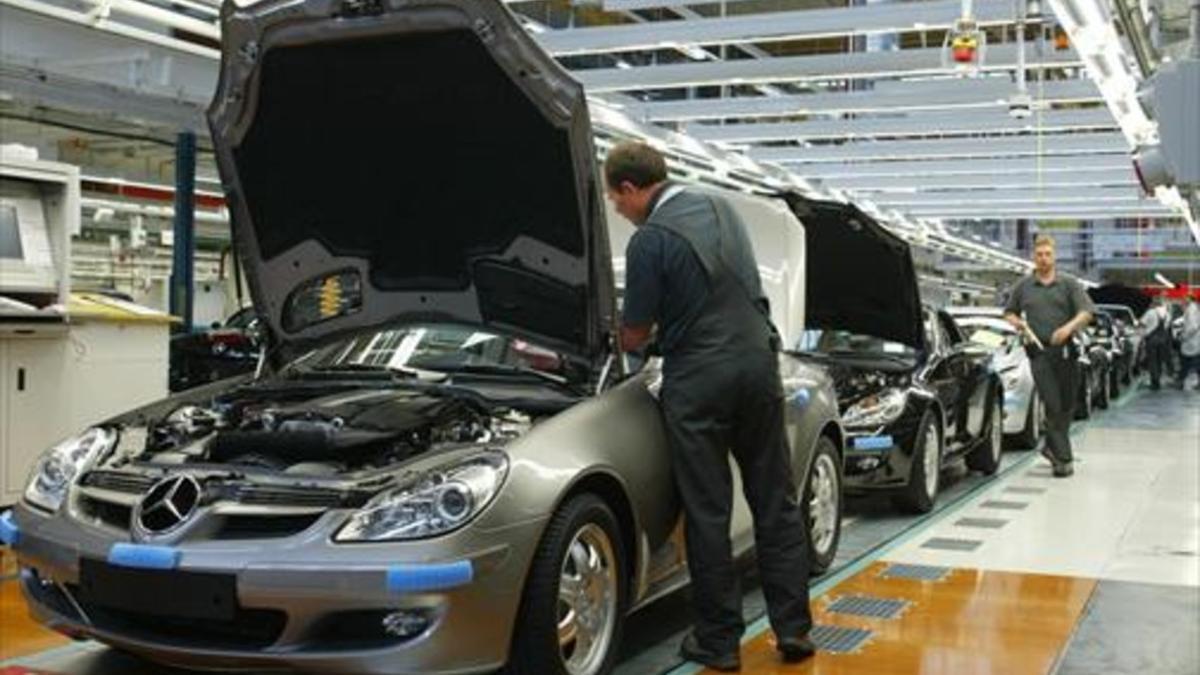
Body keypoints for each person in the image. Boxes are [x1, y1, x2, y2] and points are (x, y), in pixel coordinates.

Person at [605, 141, 814, 671]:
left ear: (631, 189)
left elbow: (633, 335)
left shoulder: (650, 240)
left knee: (708, 510)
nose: (617, 211)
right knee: (776, 503)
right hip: (759, 369)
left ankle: (719, 643)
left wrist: (614, 333)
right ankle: (794, 631)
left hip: (698, 381)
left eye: (615, 200)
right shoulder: (724, 208)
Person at [1004, 234, 1094, 478]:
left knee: (1066, 405)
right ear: (1034, 256)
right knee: (1052, 404)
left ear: (1054, 256)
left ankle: (1050, 448)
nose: (1043, 259)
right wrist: (1018, 323)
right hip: (1039, 352)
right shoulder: (1023, 286)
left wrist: (1068, 328)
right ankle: (1064, 460)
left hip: (1065, 351)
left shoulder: (1068, 284)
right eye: (1039, 254)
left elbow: (1087, 312)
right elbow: (1009, 312)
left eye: (1047, 254)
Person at [1141, 297, 1172, 390]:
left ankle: (1155, 382)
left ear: (1154, 304)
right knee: (1159, 361)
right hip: (1163, 340)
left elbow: (1142, 323)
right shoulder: (1167, 314)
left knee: (1152, 361)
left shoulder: (1150, 312)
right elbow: (1167, 327)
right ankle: (1158, 378)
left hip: (1152, 340)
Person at [1178, 296, 1200, 390]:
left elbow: (1192, 327)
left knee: (1185, 362)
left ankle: (1181, 382)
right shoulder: (1194, 308)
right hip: (1195, 341)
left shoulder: (1191, 310)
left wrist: (1183, 337)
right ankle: (1182, 381)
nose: (1182, 302)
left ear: (1189, 301)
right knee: (1196, 362)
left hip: (1191, 341)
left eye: (1183, 300)